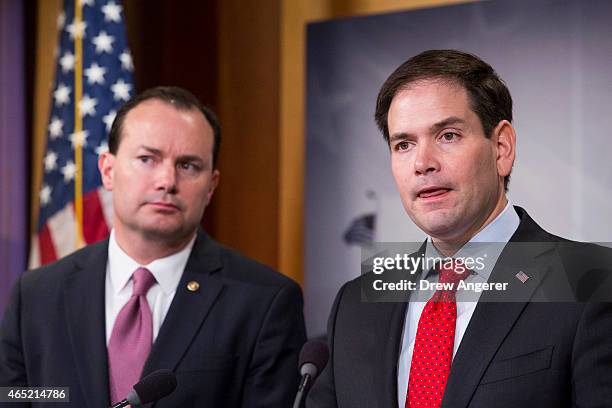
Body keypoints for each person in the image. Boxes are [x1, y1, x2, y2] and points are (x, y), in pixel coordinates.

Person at [307, 50, 612, 408]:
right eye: (403, 144)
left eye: (448, 135)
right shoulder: (356, 303)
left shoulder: (590, 281)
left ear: (501, 147)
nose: (422, 163)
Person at [0, 86, 307, 407]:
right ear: (108, 170)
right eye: (148, 159)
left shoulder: (264, 301)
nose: (167, 181)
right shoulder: (36, 294)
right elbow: (17, 397)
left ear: (211, 186)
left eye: (188, 166)